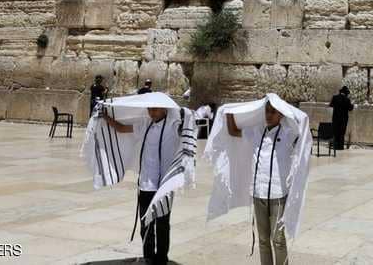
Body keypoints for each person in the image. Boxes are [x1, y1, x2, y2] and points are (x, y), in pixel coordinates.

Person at [207, 94, 312, 265]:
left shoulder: (289, 133)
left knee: (278, 239)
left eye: (273, 112)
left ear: (281, 114)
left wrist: (282, 105)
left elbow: (303, 122)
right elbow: (233, 130)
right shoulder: (256, 131)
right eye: (267, 111)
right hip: (258, 193)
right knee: (263, 240)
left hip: (278, 195)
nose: (269, 115)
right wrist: (229, 110)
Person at [95, 96, 195, 265]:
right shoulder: (145, 124)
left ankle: (161, 258)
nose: (151, 112)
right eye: (149, 109)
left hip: (164, 184)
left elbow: (188, 121)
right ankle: (148, 257)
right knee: (146, 223)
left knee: (162, 223)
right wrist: (105, 116)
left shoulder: (174, 124)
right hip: (146, 183)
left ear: (164, 109)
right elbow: (122, 128)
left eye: (155, 109)